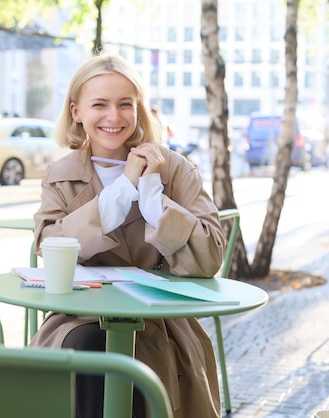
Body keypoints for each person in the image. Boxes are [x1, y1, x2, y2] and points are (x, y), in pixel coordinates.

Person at [30, 52, 226, 418]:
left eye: (125, 104)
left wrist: (153, 195)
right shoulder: (61, 172)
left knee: (142, 365)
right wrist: (121, 191)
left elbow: (211, 254)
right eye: (99, 104)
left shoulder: (174, 168)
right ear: (76, 112)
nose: (114, 117)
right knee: (86, 349)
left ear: (140, 110)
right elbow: (48, 243)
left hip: (159, 323)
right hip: (79, 317)